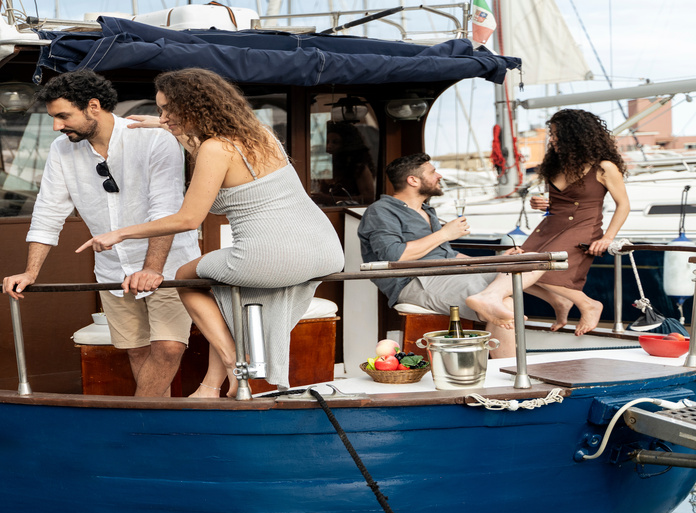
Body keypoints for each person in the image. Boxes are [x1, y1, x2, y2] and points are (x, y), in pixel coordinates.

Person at [78, 68, 344, 397]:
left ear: (192, 107)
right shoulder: (259, 134)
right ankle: (212, 386)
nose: (162, 118)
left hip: (272, 253)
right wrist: (161, 125)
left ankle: (235, 364)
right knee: (229, 291)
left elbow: (189, 219)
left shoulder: (215, 149)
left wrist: (120, 234)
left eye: (166, 110)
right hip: (323, 248)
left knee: (186, 276)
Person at [1, 70, 199, 397]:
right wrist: (31, 271)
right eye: (52, 118)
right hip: (112, 270)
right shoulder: (61, 150)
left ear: (93, 106)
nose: (56, 126)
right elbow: (49, 211)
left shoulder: (153, 137)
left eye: (63, 116)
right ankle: (157, 426)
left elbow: (166, 208)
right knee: (136, 349)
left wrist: (152, 268)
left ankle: (137, 424)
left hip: (168, 265)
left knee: (168, 348)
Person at [358, 153, 547, 358]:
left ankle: (489, 297)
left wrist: (496, 260)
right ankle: (508, 377)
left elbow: (447, 254)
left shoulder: (427, 210)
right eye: (432, 172)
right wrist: (444, 233)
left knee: (534, 260)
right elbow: (393, 256)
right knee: (506, 303)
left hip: (450, 273)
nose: (439, 175)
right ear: (413, 180)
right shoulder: (381, 211)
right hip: (416, 281)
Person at [524, 109, 631, 335]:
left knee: (540, 269)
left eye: (556, 134)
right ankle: (560, 302)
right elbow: (557, 204)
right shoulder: (555, 166)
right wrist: (541, 205)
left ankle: (588, 305)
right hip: (550, 228)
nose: (551, 139)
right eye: (551, 134)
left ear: (575, 135)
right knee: (514, 269)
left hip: (583, 228)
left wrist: (608, 237)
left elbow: (624, 205)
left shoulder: (604, 167)